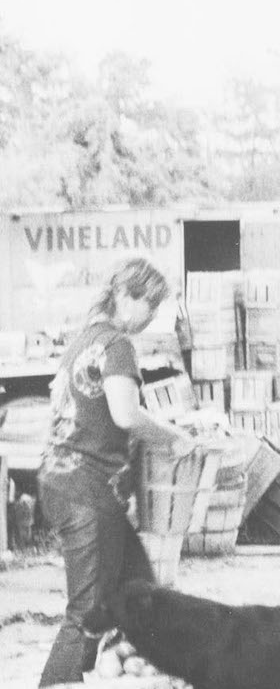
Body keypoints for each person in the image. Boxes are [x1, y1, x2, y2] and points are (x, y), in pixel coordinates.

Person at [38, 257, 194, 687]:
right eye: (151, 305)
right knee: (88, 611)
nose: (152, 317)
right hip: (86, 490)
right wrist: (171, 437)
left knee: (143, 594)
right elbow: (125, 414)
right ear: (126, 297)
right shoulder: (117, 345)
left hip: (69, 483)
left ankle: (146, 674)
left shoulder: (85, 339)